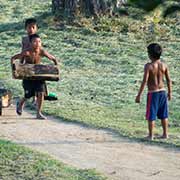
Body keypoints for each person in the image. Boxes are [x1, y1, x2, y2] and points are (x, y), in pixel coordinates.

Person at [11, 34, 58, 119]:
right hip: (28, 75)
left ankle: (38, 113)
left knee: (41, 93)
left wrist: (56, 68)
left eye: (39, 41)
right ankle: (20, 103)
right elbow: (13, 58)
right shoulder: (27, 52)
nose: (37, 43)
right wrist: (15, 71)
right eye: (35, 42)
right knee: (28, 95)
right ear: (30, 43)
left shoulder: (41, 51)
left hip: (38, 75)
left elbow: (53, 58)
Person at [135, 43, 172, 140]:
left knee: (151, 115)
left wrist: (139, 95)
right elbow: (168, 80)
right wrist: (170, 92)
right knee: (164, 114)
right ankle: (165, 134)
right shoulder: (164, 65)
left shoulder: (149, 66)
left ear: (150, 54)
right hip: (163, 92)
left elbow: (145, 81)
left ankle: (150, 135)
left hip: (153, 93)